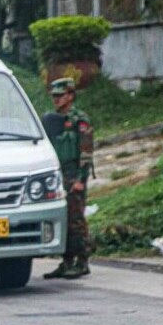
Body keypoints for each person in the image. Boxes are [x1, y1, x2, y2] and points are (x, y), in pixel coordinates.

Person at [42, 77, 95, 280]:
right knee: (62, 219)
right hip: (58, 174)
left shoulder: (79, 120)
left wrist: (81, 179)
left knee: (76, 219)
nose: (56, 99)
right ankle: (66, 261)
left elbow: (86, 152)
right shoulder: (52, 120)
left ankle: (82, 261)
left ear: (71, 96)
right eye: (54, 96)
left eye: (60, 95)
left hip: (74, 174)